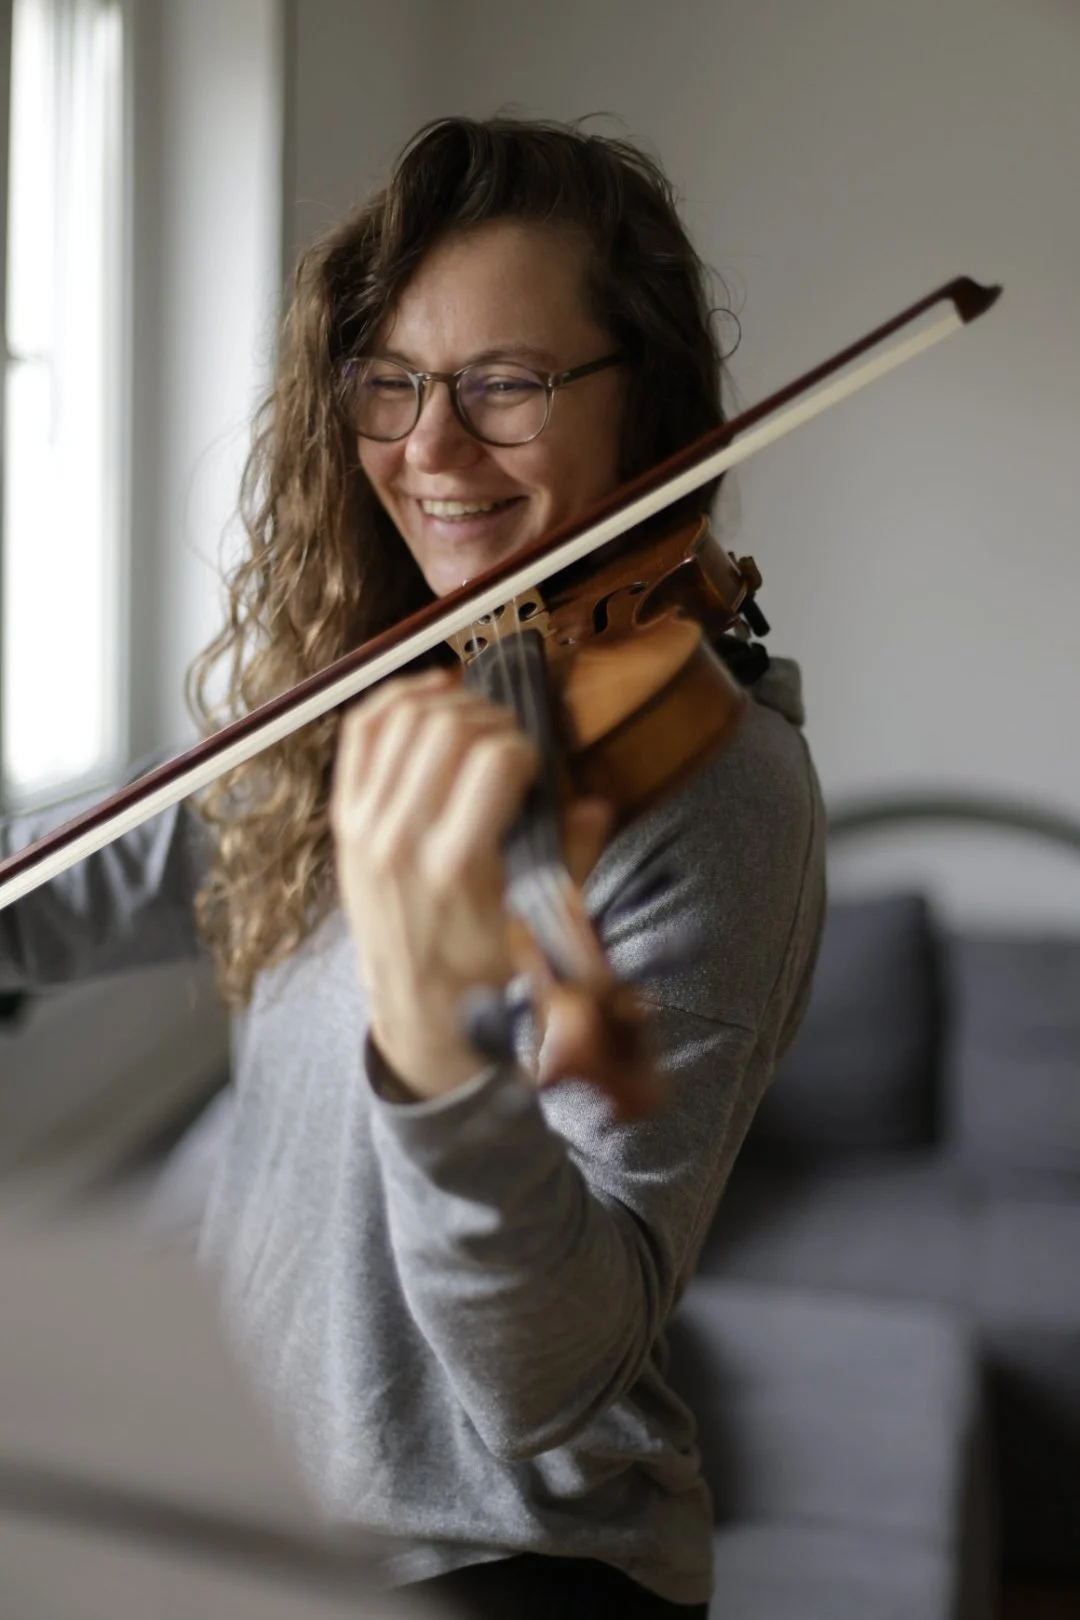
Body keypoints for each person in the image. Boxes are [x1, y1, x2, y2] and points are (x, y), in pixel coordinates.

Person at [1, 117, 826, 1617]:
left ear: (646, 404)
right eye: (393, 381)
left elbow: (548, 1378)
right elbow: (84, 879)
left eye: (505, 384)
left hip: (501, 1566)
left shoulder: (713, 796)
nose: (431, 449)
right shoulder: (384, 700)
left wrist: (440, 1046)